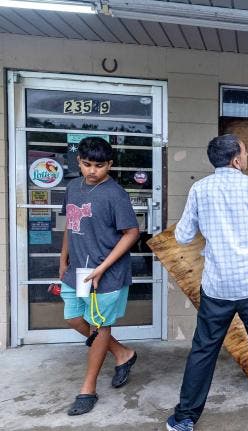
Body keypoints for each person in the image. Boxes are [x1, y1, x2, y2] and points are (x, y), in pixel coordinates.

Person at [166, 134, 248, 431]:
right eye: (245, 153)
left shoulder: (200, 189)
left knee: (204, 349)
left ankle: (185, 418)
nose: (247, 158)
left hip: (217, 286)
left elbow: (183, 236)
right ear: (236, 160)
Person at [58, 137, 140, 415]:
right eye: (87, 164)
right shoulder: (72, 187)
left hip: (106, 273)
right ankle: (122, 353)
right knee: (73, 317)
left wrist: (103, 267)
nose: (93, 171)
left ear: (110, 165)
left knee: (98, 327)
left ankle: (87, 389)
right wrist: (63, 258)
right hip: (78, 270)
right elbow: (70, 224)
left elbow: (132, 232)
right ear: (79, 162)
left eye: (99, 166)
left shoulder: (115, 194)